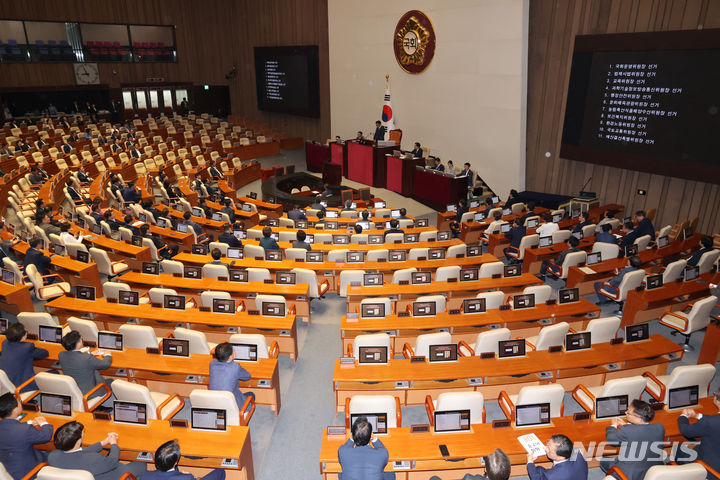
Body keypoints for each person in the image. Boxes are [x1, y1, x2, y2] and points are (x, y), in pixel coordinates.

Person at [48, 421, 146, 480]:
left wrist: (103, 443)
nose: (83, 434)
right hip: (112, 475)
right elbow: (112, 462)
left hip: (93, 472)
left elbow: (80, 453)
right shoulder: (94, 460)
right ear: (77, 442)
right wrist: (114, 444)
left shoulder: (52, 456)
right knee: (142, 463)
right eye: (82, 434)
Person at [600, 399, 665, 480]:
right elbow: (639, 431)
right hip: (653, 471)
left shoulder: (628, 431)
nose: (625, 412)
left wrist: (613, 426)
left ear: (639, 418)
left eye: (628, 412)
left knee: (603, 461)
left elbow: (611, 439)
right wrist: (626, 425)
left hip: (630, 475)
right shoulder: (659, 427)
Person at [0, 392, 54, 480]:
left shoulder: (20, 428)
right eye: (19, 402)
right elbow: (46, 436)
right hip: (28, 473)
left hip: (8, 468)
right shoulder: (24, 430)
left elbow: (12, 429)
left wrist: (28, 423)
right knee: (54, 455)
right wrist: (44, 423)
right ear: (15, 410)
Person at [677, 390, 720, 479]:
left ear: (718, 402)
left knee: (679, 450)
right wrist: (697, 416)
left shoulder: (711, 423)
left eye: (715, 393)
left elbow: (686, 431)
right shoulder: (712, 421)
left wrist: (683, 417)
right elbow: (714, 421)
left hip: (711, 470)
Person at [58, 330, 114, 395]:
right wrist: (108, 355)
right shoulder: (86, 358)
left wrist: (90, 354)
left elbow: (76, 357)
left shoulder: (61, 355)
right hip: (90, 392)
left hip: (73, 390)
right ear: (78, 343)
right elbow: (105, 364)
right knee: (111, 381)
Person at [338, 416, 394, 480]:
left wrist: (352, 439)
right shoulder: (382, 454)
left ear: (352, 435)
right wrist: (375, 440)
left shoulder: (342, 451)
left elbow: (346, 447)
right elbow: (382, 448)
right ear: (370, 436)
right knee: (391, 474)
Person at [0, 322, 49, 392]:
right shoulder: (27, 347)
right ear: (23, 336)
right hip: (22, 386)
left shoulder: (4, 343)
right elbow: (45, 353)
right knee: (55, 372)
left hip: (5, 385)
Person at [141, 440, 225, 480]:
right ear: (175, 462)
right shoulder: (187, 478)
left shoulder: (144, 476)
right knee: (220, 471)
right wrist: (191, 477)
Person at [208, 342, 252, 409]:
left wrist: (231, 359)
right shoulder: (235, 367)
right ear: (230, 356)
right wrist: (232, 360)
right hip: (231, 404)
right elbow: (247, 376)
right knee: (251, 395)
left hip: (215, 402)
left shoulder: (212, 364)